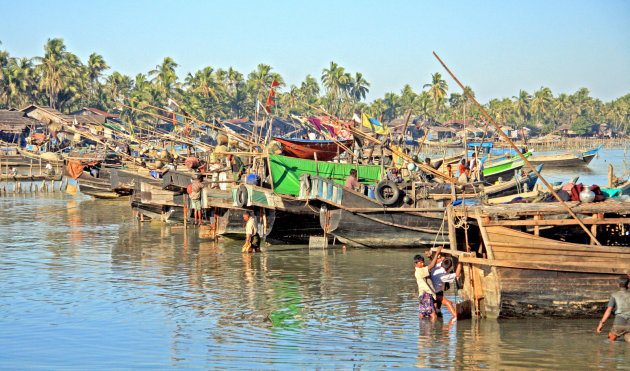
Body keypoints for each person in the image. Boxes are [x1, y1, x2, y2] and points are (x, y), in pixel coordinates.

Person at [426, 250, 463, 319]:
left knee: (435, 307)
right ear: (448, 268)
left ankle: (432, 319)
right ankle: (456, 317)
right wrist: (460, 262)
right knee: (449, 303)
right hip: (435, 293)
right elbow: (457, 274)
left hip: (432, 292)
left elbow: (441, 260)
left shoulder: (436, 267)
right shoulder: (444, 276)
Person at [597, 275, 630, 342]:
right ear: (628, 284)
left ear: (618, 285)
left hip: (618, 324)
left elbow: (608, 310)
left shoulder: (614, 295)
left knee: (610, 343)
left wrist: (601, 323)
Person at [414, 245, 443, 320]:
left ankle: (425, 328)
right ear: (416, 264)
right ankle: (433, 328)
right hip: (425, 294)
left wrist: (430, 257)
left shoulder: (423, 268)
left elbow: (430, 266)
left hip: (426, 294)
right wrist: (437, 253)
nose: (422, 264)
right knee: (433, 314)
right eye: (420, 263)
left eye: (423, 262)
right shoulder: (419, 271)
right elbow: (432, 265)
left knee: (423, 313)